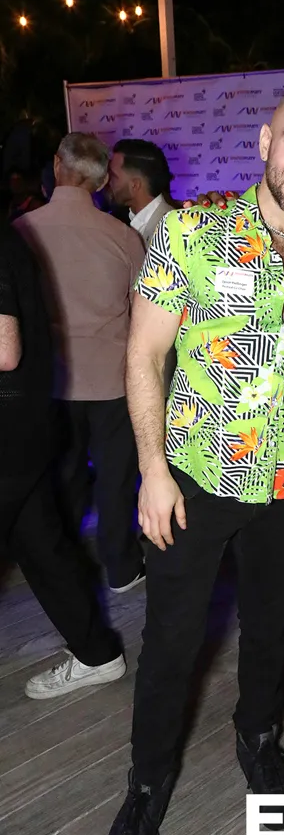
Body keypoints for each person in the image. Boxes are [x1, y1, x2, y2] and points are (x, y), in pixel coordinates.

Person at [103, 86, 284, 835]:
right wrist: (151, 471)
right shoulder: (191, 232)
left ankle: (258, 738)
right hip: (193, 480)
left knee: (271, 630)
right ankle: (146, 788)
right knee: (172, 645)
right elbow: (144, 355)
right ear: (266, 142)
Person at [14, 133, 147, 594]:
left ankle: (64, 567)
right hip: (112, 379)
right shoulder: (124, 237)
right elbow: (140, 311)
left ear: (57, 165)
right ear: (102, 181)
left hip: (51, 380)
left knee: (61, 477)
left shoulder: (22, 232)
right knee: (115, 479)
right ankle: (121, 567)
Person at [0, 221, 126, 698]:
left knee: (42, 544)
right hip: (24, 427)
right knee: (40, 544)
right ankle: (98, 653)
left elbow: (4, 350)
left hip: (9, 431)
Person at [108, 140, 174, 245]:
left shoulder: (172, 229)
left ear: (135, 185)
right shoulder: (116, 222)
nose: (109, 181)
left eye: (114, 177)